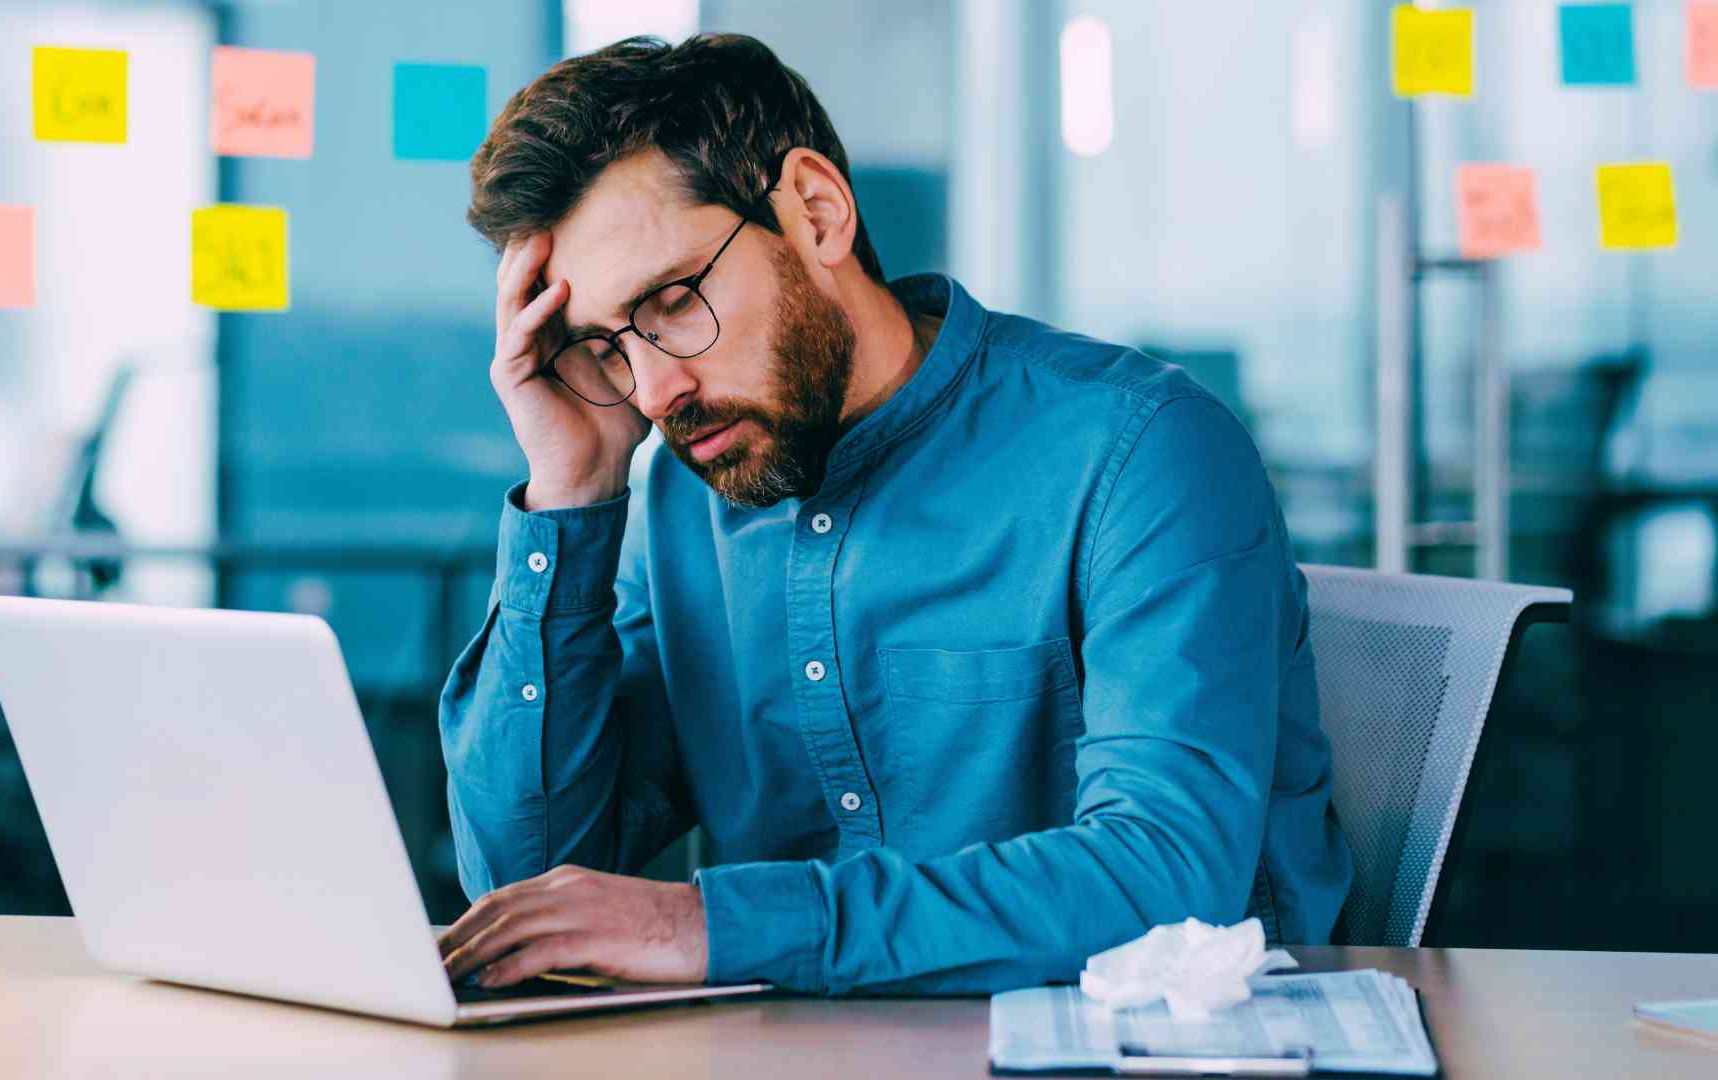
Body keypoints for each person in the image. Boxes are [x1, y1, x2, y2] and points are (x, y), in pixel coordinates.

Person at [435, 33, 1352, 996]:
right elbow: (524, 882)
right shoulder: (678, 501)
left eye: (671, 300)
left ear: (817, 212)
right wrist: (571, 492)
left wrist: (714, 924)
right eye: (607, 346)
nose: (656, 388)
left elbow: (1166, 880)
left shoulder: (1139, 450)